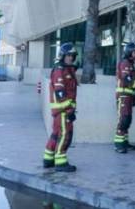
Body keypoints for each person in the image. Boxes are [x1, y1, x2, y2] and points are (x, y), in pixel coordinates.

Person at [42, 42, 78, 172]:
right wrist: (69, 109)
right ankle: (60, 162)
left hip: (61, 110)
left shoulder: (65, 69)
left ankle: (48, 159)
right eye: (68, 55)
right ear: (62, 56)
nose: (71, 58)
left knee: (56, 134)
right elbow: (60, 92)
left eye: (72, 56)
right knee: (65, 135)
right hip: (63, 110)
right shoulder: (60, 70)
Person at [114, 42, 135, 153]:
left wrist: (133, 96)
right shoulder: (125, 63)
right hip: (123, 96)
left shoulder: (129, 64)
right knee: (123, 120)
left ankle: (124, 142)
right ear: (129, 53)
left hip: (128, 96)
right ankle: (118, 144)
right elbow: (127, 80)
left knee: (127, 120)